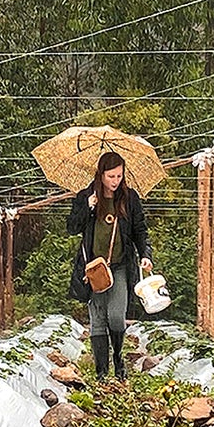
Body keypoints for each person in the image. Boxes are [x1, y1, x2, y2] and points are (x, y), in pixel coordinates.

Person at [67, 151, 154, 381]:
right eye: (111, 176)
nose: (115, 181)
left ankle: (118, 358)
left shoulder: (129, 198)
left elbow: (140, 230)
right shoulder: (86, 196)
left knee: (116, 315)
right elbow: (72, 227)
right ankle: (102, 374)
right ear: (101, 175)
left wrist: (145, 254)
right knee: (97, 320)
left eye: (119, 176)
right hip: (94, 268)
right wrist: (87, 207)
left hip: (120, 265)